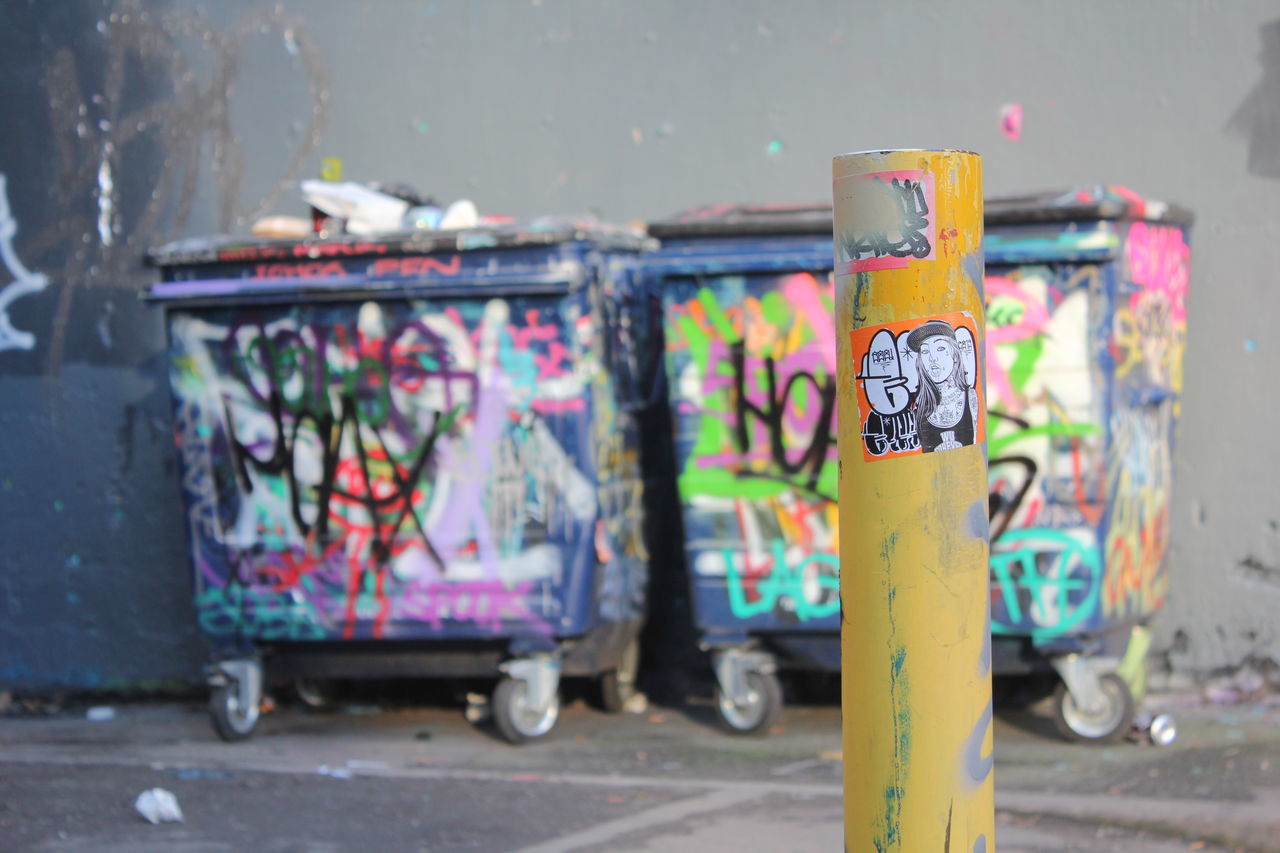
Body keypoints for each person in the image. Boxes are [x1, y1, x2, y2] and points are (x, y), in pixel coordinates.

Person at [905, 320, 978, 452]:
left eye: (940, 348)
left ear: (955, 355)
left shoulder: (970, 396)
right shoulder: (916, 404)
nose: (933, 358)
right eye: (925, 351)